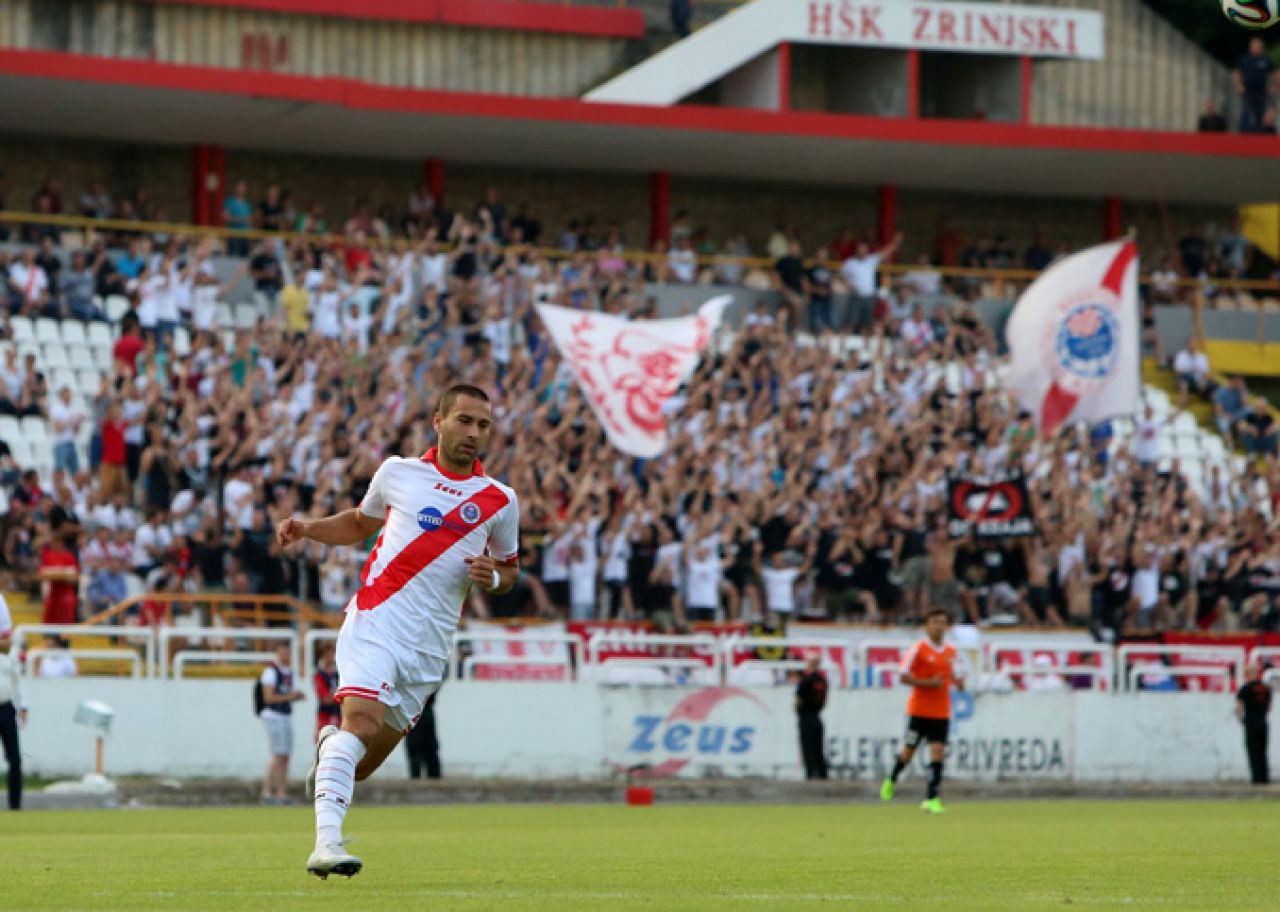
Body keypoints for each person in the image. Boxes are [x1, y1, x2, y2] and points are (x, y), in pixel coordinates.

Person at [279, 383, 520, 879]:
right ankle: (326, 845)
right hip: (377, 621)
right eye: (465, 421)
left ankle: (331, 751)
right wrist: (308, 529)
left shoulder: (500, 501)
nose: (474, 432)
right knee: (362, 726)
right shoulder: (399, 473)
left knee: (360, 761)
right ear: (438, 421)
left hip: (428, 652)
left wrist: (492, 577)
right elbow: (358, 523)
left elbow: (510, 570)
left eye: (484, 425)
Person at [880, 608, 966, 814]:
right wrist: (928, 683)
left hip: (941, 712)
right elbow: (903, 676)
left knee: (937, 754)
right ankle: (892, 778)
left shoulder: (952, 652)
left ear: (947, 627)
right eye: (934, 622)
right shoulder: (918, 649)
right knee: (908, 751)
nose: (938, 626)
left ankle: (932, 798)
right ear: (927, 626)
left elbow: (955, 677)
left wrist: (959, 682)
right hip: (919, 711)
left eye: (942, 622)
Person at [258, 642, 304, 806]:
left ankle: (281, 792)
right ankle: (267, 792)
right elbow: (269, 698)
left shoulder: (288, 673)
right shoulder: (271, 672)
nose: (286, 657)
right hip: (274, 716)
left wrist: (293, 697)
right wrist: (291, 696)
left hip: (285, 716)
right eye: (283, 653)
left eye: (288, 653)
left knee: (285, 756)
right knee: (277, 755)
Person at [1235, 661, 1271, 785]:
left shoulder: (1245, 688)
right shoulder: (1266, 688)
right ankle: (1264, 778)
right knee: (1263, 751)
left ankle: (1256, 779)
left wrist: (1241, 720)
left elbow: (1237, 708)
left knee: (1253, 752)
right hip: (1263, 723)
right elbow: (1268, 707)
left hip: (1251, 724)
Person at [0, 625, 24, 810]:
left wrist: (23, 705)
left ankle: (15, 805)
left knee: (14, 758)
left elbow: (18, 682)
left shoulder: (12, 656)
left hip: (6, 707)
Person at [794, 654, 828, 780]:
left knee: (808, 749)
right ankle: (822, 775)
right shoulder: (823, 681)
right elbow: (824, 702)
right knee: (818, 749)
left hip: (806, 717)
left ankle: (811, 776)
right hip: (817, 717)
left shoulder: (806, 681)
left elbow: (798, 701)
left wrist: (799, 713)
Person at [1235, 37, 1277, 134]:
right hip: (1248, 93)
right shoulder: (1244, 59)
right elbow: (1237, 73)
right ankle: (1242, 138)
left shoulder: (1266, 60)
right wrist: (1239, 86)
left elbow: (1275, 73)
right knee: (1245, 115)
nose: (1256, 48)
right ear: (1251, 47)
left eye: (1259, 47)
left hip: (1261, 93)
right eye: (1254, 46)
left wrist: (1273, 88)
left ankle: (1259, 139)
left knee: (1260, 117)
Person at [404, 691, 441, 780]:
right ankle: (433, 780)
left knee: (419, 749)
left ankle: (418, 779)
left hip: (414, 711)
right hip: (423, 711)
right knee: (429, 749)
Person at [313, 645, 340, 743]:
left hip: (339, 715)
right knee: (323, 744)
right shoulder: (319, 675)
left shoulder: (339, 674)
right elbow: (325, 699)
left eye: (332, 654)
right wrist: (340, 694)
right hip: (325, 715)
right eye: (327, 655)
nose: (331, 657)